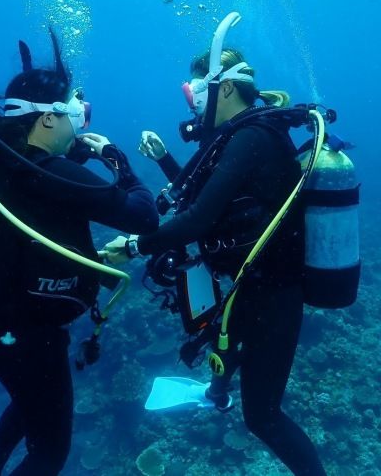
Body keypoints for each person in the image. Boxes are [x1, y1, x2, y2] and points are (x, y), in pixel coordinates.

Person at [103, 25, 327, 475]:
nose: (191, 103)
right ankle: (215, 393)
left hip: (274, 293)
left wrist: (135, 245)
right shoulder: (240, 135)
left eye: (195, 92)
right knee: (224, 346)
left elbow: (198, 218)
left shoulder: (250, 138)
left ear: (223, 89)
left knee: (263, 417)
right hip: (253, 284)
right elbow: (207, 199)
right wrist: (165, 159)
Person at [0, 30, 158, 476]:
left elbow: (51, 191)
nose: (81, 123)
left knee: (27, 401)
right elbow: (144, 217)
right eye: (76, 113)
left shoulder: (0, 163)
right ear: (49, 119)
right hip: (33, 334)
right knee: (49, 454)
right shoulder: (50, 172)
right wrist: (116, 159)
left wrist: (75, 162)